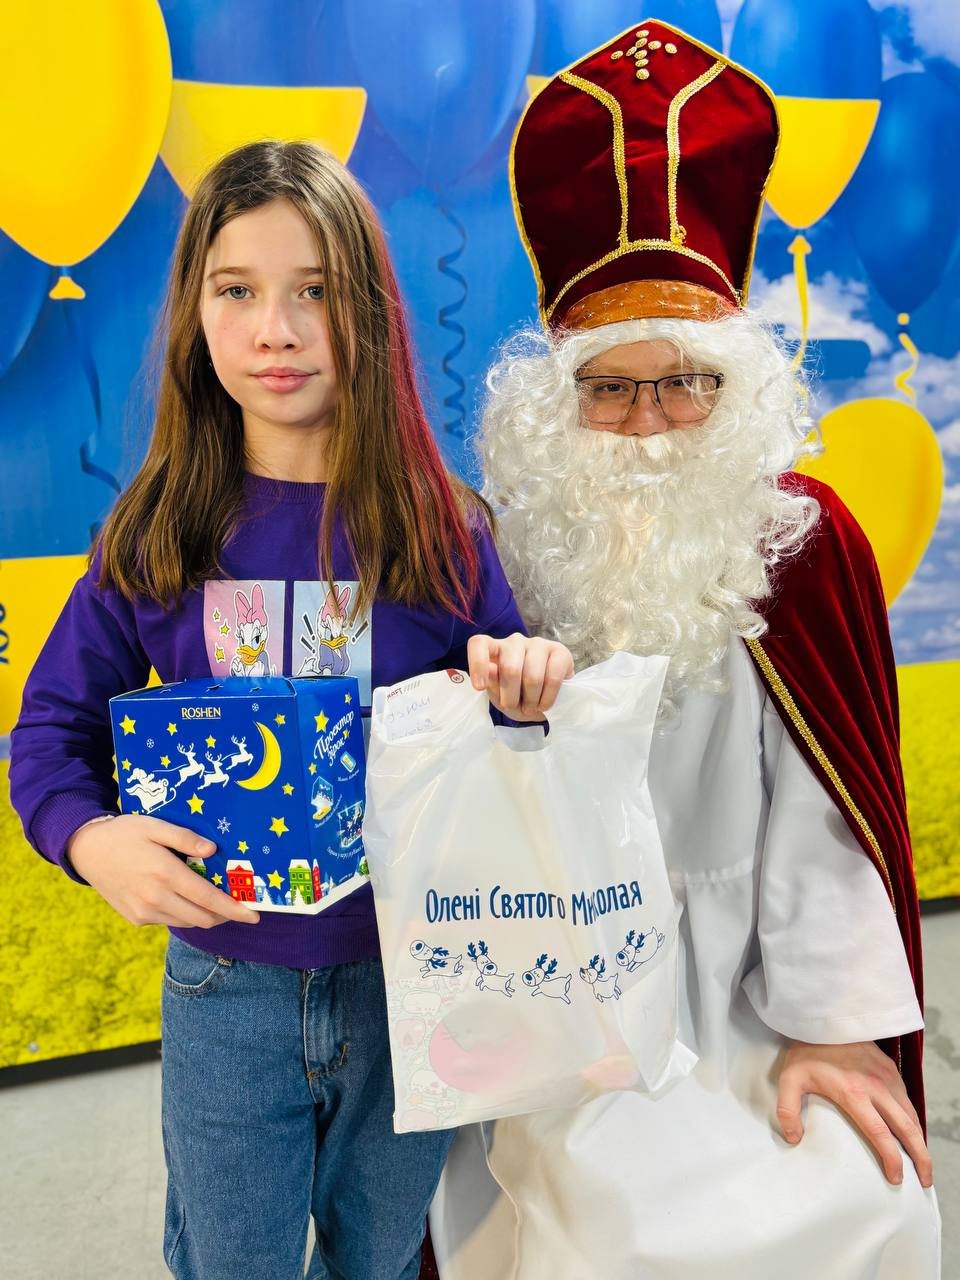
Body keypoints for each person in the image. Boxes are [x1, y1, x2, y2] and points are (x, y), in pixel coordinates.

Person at [429, 21, 941, 1280]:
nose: (652, 423)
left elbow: (826, 820)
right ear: (557, 402)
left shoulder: (798, 541)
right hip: (560, 994)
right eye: (610, 387)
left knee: (869, 1201)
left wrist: (834, 1024)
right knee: (607, 1228)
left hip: (758, 987)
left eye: (685, 383)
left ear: (734, 390)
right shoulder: (500, 550)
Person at [9, 140, 572, 1280]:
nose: (276, 329)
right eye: (237, 290)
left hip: (411, 979)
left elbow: (515, 738)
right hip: (226, 989)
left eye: (313, 290)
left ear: (368, 310)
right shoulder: (153, 534)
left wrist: (526, 685)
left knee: (387, 1254)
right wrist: (90, 838)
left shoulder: (444, 531)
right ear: (194, 314)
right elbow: (47, 735)